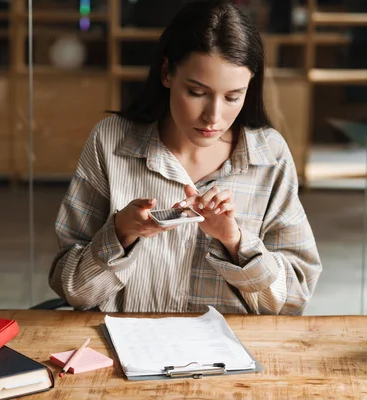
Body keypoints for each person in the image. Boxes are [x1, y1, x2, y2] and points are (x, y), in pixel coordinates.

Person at [49, 0, 322, 314]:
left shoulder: (269, 156)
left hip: (231, 358)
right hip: (129, 352)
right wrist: (121, 233)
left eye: (233, 97)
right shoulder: (111, 141)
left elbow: (295, 299)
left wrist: (233, 241)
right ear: (167, 73)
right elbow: (73, 290)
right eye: (196, 92)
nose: (213, 117)